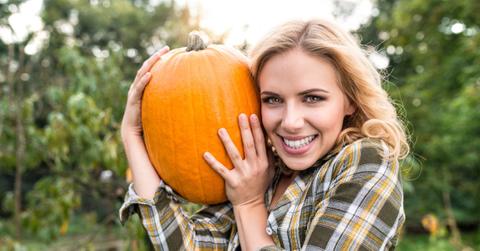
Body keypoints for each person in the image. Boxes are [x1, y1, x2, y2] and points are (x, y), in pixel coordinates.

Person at [119, 19, 409, 251]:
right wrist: (132, 135)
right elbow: (183, 244)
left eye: (312, 98)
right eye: (273, 99)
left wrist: (249, 205)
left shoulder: (366, 162)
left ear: (350, 100)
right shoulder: (261, 172)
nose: (291, 122)